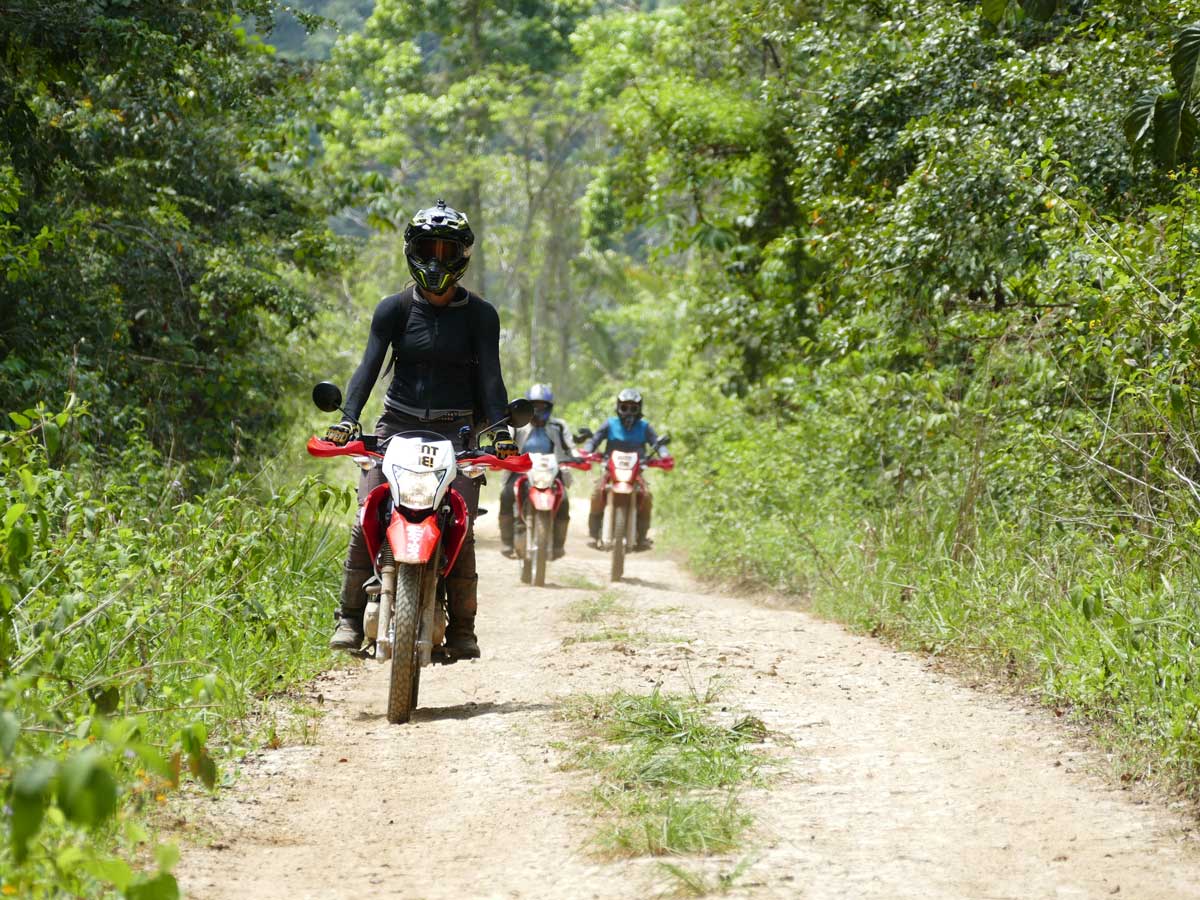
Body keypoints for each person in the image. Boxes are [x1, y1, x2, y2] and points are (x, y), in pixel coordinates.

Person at [322, 200, 516, 658]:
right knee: (366, 515)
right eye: (428, 248)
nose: (437, 260)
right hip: (395, 429)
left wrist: (502, 431)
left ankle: (463, 630)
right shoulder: (392, 309)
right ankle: (349, 621)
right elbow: (368, 368)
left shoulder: (481, 316)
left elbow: (492, 377)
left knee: (461, 526)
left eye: (448, 250)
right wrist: (348, 419)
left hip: (459, 436)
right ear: (411, 251)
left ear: (463, 256)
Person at [581, 388, 671, 550]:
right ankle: (594, 535)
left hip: (636, 474)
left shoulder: (645, 427)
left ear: (639, 409)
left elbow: (657, 444)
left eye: (633, 408)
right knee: (596, 495)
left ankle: (642, 537)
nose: (628, 412)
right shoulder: (610, 424)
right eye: (624, 407)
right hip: (610, 472)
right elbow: (594, 440)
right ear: (618, 407)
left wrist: (664, 455)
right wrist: (587, 451)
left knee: (647, 497)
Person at [498, 383, 577, 560]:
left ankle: (558, 546)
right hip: (521, 469)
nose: (538, 409)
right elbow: (505, 441)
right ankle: (507, 542)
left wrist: (577, 457)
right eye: (534, 405)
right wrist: (502, 453)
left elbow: (570, 447)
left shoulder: (559, 426)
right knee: (506, 494)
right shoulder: (516, 425)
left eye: (542, 406)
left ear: (549, 407)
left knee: (563, 500)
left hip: (551, 469)